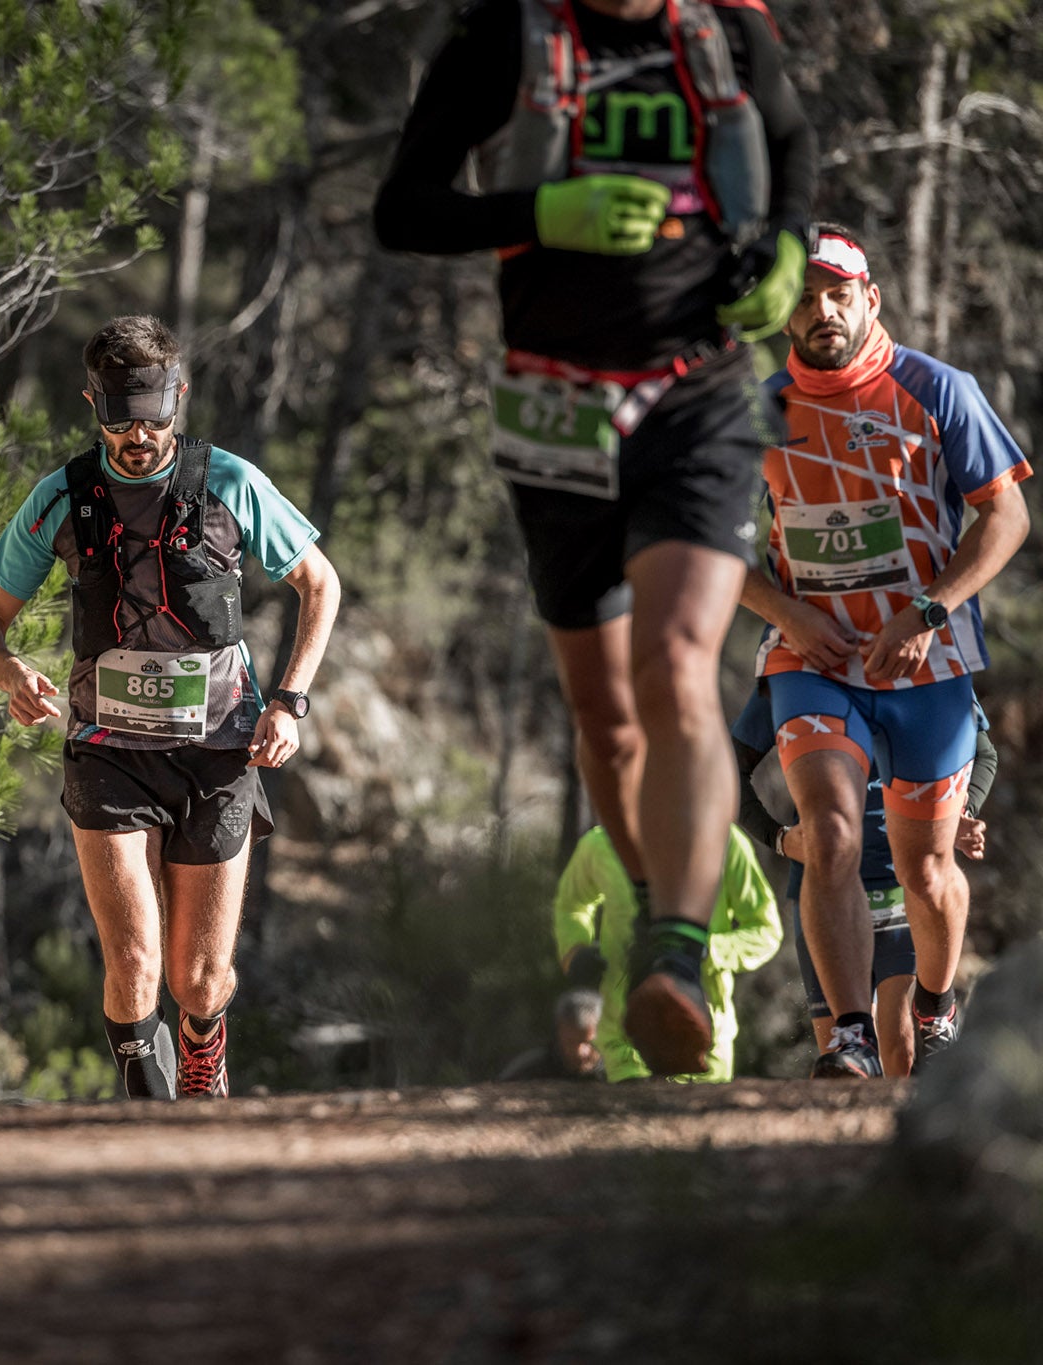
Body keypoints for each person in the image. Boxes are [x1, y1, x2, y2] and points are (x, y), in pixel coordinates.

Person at [373, 0, 817, 1075]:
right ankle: (647, 911)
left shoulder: (724, 31)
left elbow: (791, 142)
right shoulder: (503, 38)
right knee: (605, 719)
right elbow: (405, 209)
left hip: (696, 395)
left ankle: (672, 944)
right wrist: (541, 212)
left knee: (674, 665)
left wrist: (788, 251)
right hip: (553, 407)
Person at [0, 316, 341, 1099]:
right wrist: (10, 676)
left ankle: (204, 1054)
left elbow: (320, 585)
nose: (139, 435)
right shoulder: (62, 498)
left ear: (181, 399)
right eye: (119, 416)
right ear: (92, 403)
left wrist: (290, 701)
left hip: (220, 750)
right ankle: (146, 1115)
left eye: (155, 415)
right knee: (134, 969)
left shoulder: (230, 482)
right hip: (106, 752)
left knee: (199, 980)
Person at [738, 225, 1032, 1078]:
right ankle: (850, 1036)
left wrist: (928, 611)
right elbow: (706, 543)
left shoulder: (938, 390)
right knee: (828, 834)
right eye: (803, 297)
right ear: (783, 314)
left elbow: (1006, 517)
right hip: (815, 662)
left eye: (838, 293)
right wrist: (785, 612)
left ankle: (936, 1009)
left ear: (871, 299)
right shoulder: (757, 413)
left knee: (925, 866)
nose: (821, 311)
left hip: (925, 666)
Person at [730, 679, 998, 1077]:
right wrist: (780, 839)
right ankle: (843, 1136)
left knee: (898, 1045)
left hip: (899, 878)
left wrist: (958, 813)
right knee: (844, 1056)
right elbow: (729, 766)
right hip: (825, 883)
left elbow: (982, 751)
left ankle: (902, 1128)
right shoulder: (800, 666)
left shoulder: (920, 656)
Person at [552, 823, 780, 1082]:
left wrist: (711, 951)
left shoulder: (726, 842)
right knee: (633, 1120)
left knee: (704, 1121)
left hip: (706, 1039)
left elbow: (766, 929)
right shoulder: (601, 842)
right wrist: (575, 948)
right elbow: (571, 905)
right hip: (624, 1039)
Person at [498, 990, 607, 1081]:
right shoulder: (526, 1074)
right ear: (559, 1033)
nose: (580, 1052)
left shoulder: (619, 1076)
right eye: (571, 1042)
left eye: (589, 1043)